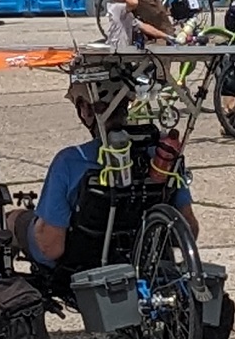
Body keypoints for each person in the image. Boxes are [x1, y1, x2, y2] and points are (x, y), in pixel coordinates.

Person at [10, 73, 195, 273]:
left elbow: (51, 247)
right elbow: (189, 229)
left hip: (80, 265)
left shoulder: (70, 161)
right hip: (145, 258)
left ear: (85, 109)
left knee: (11, 220)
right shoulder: (161, 156)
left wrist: (19, 223)